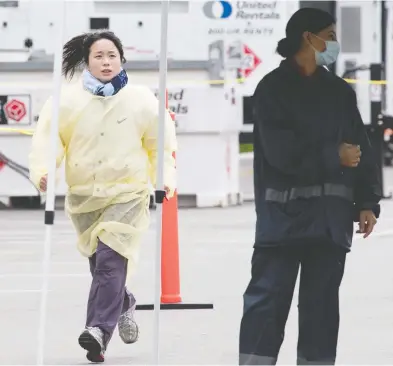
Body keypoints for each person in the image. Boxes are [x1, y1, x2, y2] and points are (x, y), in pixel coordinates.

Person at [239, 8, 381, 365]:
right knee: (266, 306)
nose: (333, 44)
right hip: (281, 221)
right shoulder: (272, 88)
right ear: (308, 37)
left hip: (328, 224)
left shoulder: (338, 92)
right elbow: (280, 154)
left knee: (320, 313)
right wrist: (334, 156)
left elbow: (360, 146)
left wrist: (367, 202)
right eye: (329, 36)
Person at [28, 30, 177, 363]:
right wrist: (44, 170)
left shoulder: (140, 99)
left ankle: (97, 331)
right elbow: (49, 140)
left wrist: (164, 178)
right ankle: (123, 303)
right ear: (87, 61)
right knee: (102, 267)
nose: (106, 62)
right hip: (84, 196)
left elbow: (160, 143)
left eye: (112, 55)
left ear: (121, 59)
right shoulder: (64, 100)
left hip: (129, 192)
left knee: (110, 261)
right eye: (99, 56)